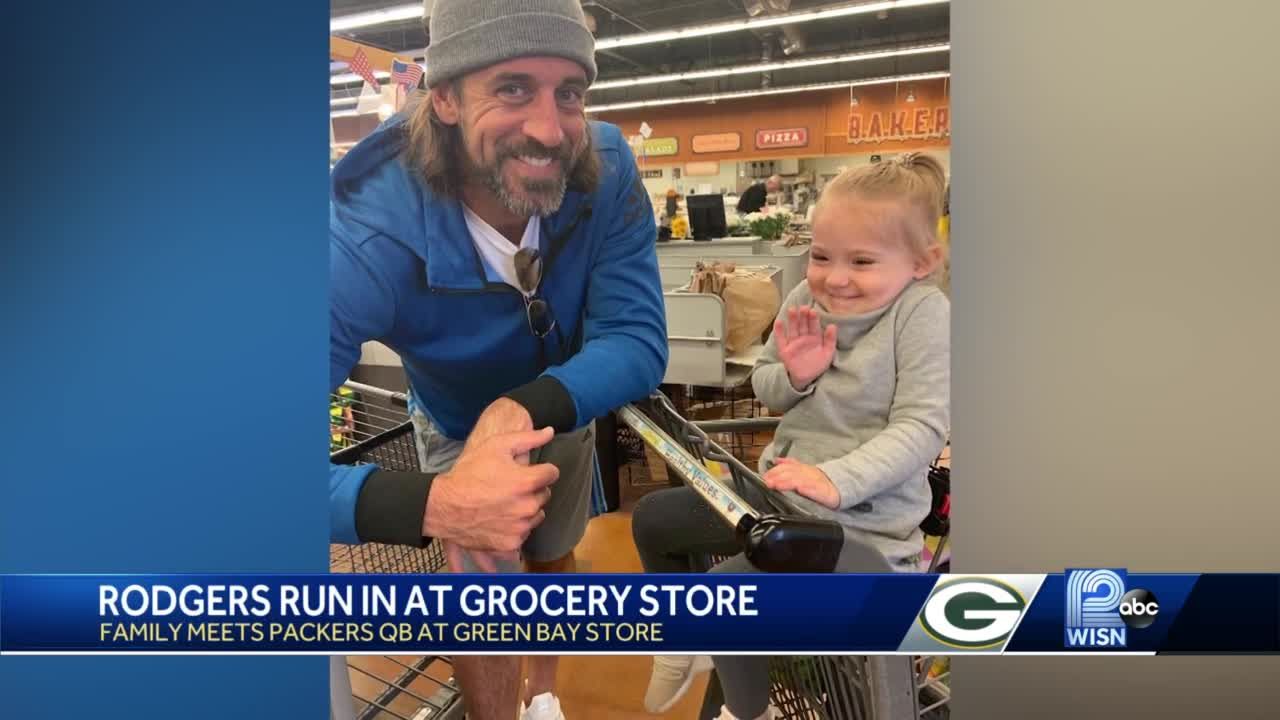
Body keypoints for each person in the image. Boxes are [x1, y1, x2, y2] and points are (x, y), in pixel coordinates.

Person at [327, 0, 668, 718]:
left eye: (569, 92)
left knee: (551, 552)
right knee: (480, 583)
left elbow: (636, 339)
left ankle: (542, 691)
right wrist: (436, 504)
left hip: (565, 399)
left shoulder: (604, 169)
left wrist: (520, 408)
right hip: (451, 417)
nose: (550, 128)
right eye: (512, 88)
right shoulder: (364, 233)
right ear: (444, 96)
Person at [631, 153, 950, 720]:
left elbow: (921, 427)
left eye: (863, 261)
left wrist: (834, 479)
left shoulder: (921, 315)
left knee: (730, 594)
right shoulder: (807, 298)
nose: (836, 277)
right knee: (654, 518)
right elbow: (767, 385)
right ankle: (681, 644)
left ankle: (751, 712)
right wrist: (798, 376)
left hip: (859, 533)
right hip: (778, 501)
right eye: (822, 256)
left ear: (923, 261)